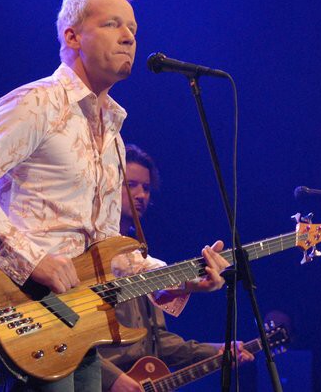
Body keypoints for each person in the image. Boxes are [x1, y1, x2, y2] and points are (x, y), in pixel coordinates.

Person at [0, 0, 230, 391]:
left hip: (83, 324)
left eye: (133, 28)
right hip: (29, 313)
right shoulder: (37, 102)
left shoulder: (112, 133)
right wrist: (33, 260)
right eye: (113, 24)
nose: (129, 36)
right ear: (72, 36)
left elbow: (110, 252)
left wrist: (182, 279)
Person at [100, 144, 254, 392]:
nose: (141, 195)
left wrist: (218, 351)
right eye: (131, 185)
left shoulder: (142, 259)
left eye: (146, 188)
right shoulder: (91, 252)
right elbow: (71, 340)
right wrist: (111, 379)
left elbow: (158, 341)